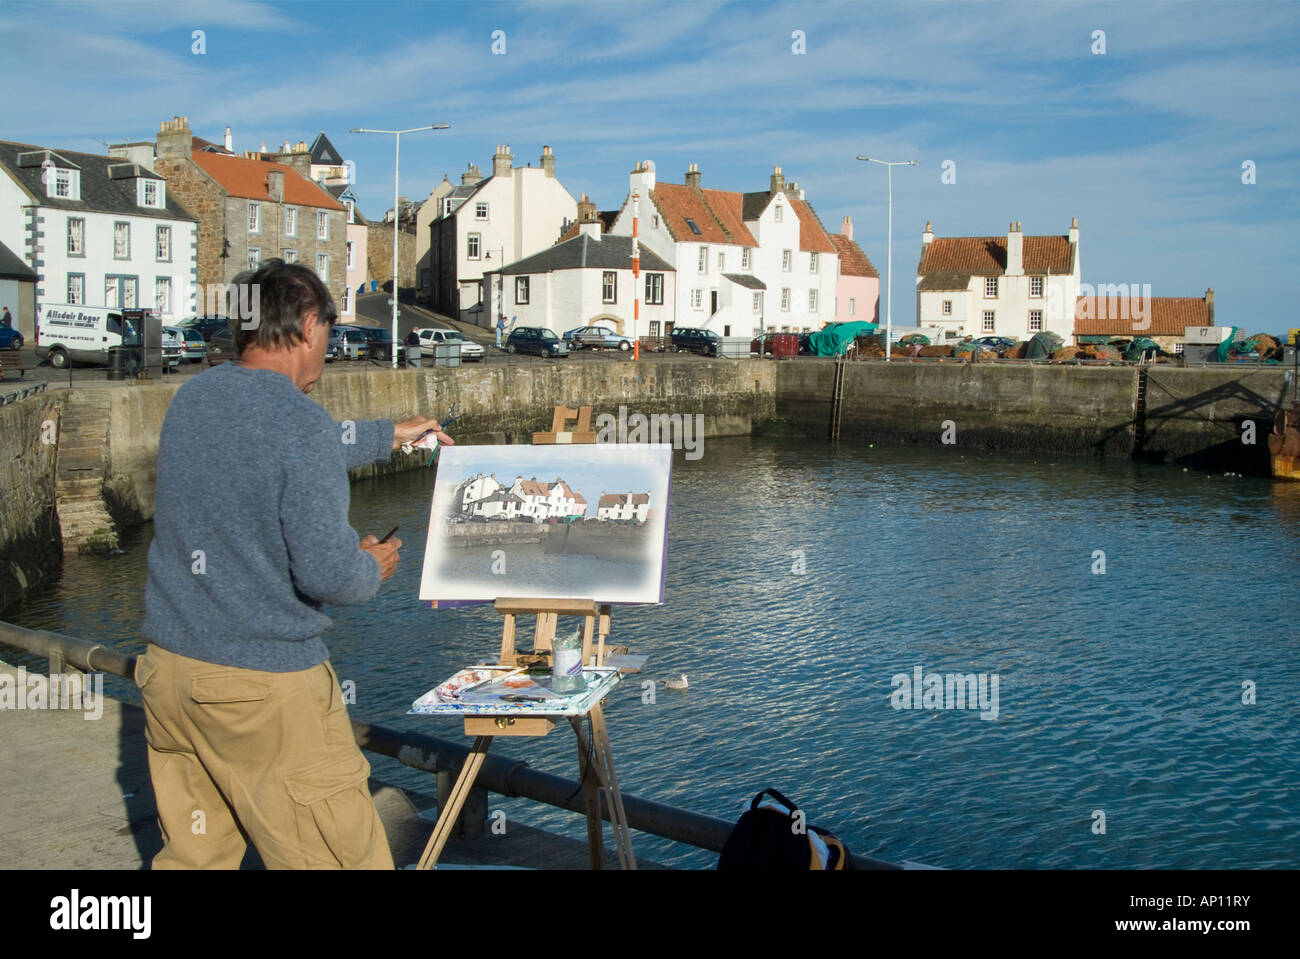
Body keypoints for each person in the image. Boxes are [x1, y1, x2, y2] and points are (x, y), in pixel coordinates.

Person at [136, 259, 453, 869]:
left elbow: (270, 442)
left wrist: (389, 433)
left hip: (171, 675)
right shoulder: (301, 424)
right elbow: (329, 576)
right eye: (330, 337)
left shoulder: (194, 398)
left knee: (196, 858)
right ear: (309, 326)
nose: (329, 352)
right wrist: (371, 566)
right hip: (262, 691)